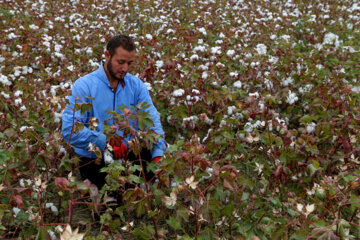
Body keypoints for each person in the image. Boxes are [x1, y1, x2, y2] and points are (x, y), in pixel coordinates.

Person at [61, 35, 166, 193]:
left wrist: (158, 153)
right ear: (107, 56)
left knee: (149, 190)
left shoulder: (136, 86)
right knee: (110, 202)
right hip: (96, 157)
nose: (125, 69)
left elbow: (152, 120)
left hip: (130, 152)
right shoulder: (84, 86)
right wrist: (106, 143)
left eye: (130, 63)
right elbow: (70, 130)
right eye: (121, 62)